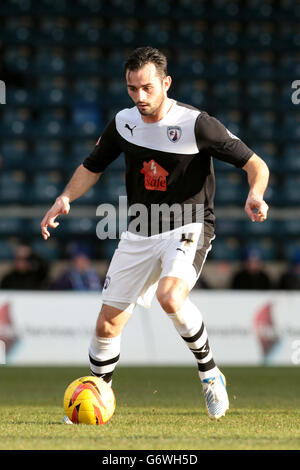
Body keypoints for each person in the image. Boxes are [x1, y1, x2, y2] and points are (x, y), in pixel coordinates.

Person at [40, 47, 269, 421]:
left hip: (188, 224)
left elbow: (256, 163)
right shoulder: (123, 122)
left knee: (170, 296)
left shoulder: (197, 124)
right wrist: (65, 196)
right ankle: (94, 395)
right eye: (132, 89)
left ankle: (211, 375)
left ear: (166, 83)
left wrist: (255, 193)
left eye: (147, 88)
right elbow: (92, 166)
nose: (140, 97)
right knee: (107, 323)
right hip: (140, 230)